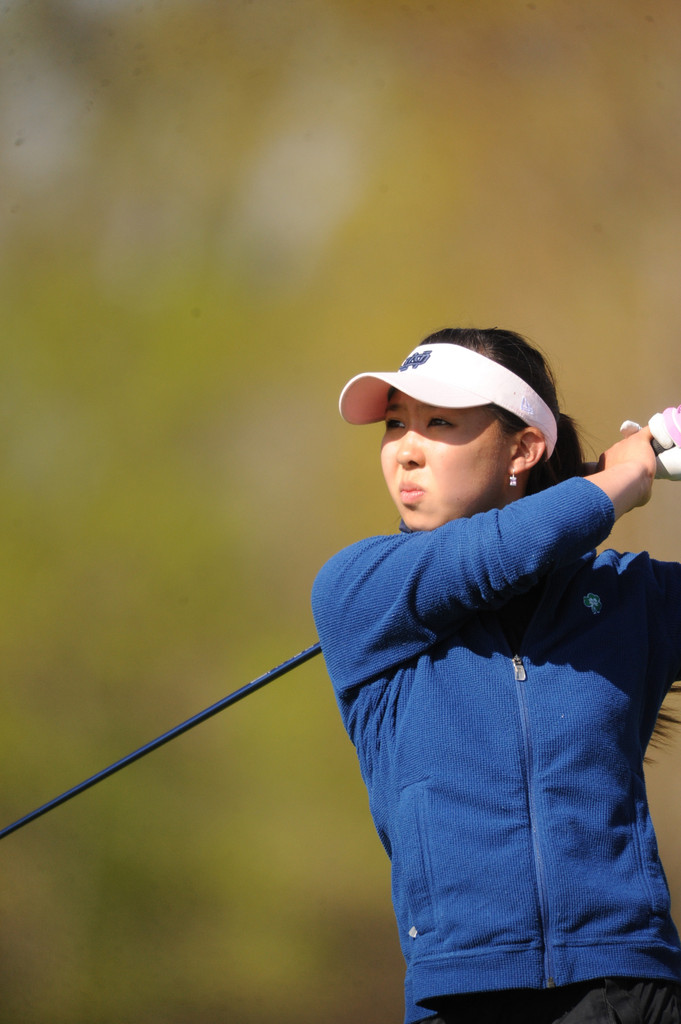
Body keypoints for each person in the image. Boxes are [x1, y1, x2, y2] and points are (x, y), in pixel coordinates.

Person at [311, 327, 681, 1024]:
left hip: (627, 985)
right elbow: (493, 554)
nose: (406, 450)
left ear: (522, 450)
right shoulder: (359, 591)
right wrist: (622, 477)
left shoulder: (630, 599)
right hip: (461, 994)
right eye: (395, 426)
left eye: (439, 423)